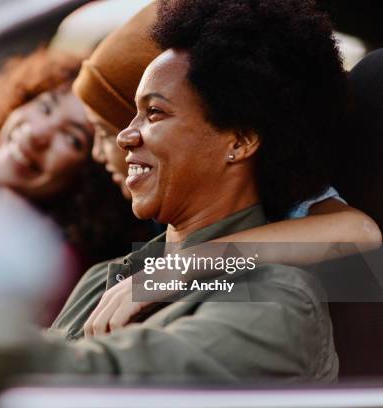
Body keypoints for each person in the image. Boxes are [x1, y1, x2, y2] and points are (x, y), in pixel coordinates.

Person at [40, 0, 362, 381]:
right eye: (131, 114)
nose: (126, 136)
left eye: (155, 112)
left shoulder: (277, 298)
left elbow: (117, 374)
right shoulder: (108, 276)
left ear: (240, 141)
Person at [0, 48, 150, 320]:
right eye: (45, 107)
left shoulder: (54, 267)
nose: (36, 133)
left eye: (72, 139)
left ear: (96, 175)